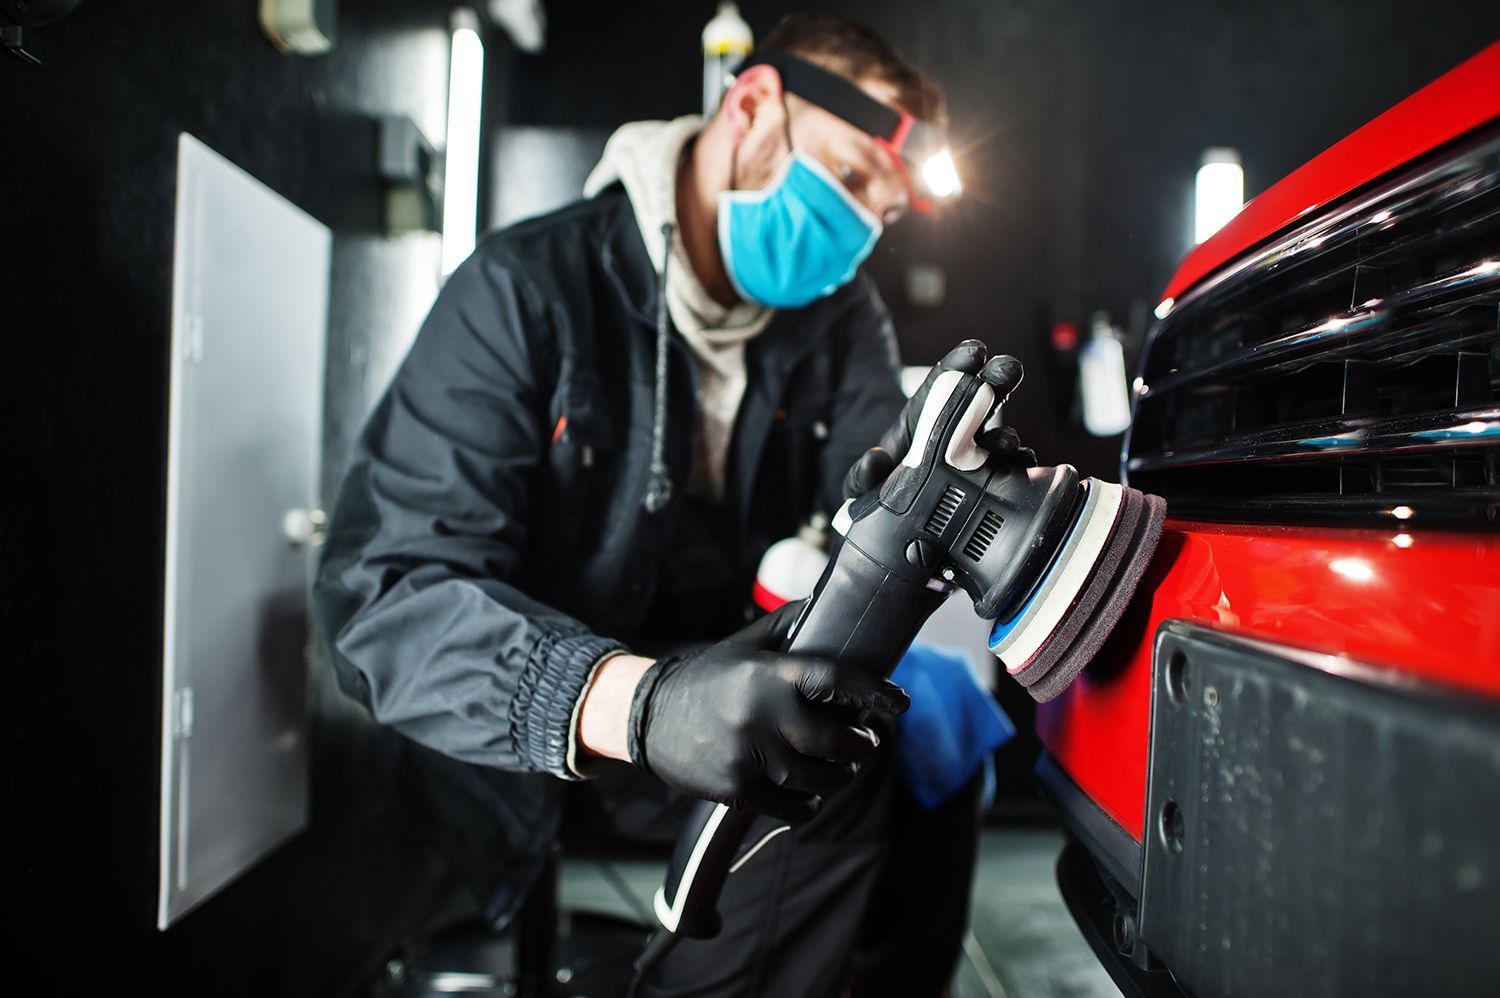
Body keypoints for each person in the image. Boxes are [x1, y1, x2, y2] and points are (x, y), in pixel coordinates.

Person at [316, 13, 1013, 996]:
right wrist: (632, 701)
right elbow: (384, 598)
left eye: (884, 214)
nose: (859, 232)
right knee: (813, 783)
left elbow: (870, 471)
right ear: (752, 105)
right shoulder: (526, 292)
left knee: (924, 745)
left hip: (717, 682)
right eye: (853, 178)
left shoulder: (840, 318)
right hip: (525, 727)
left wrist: (947, 482)